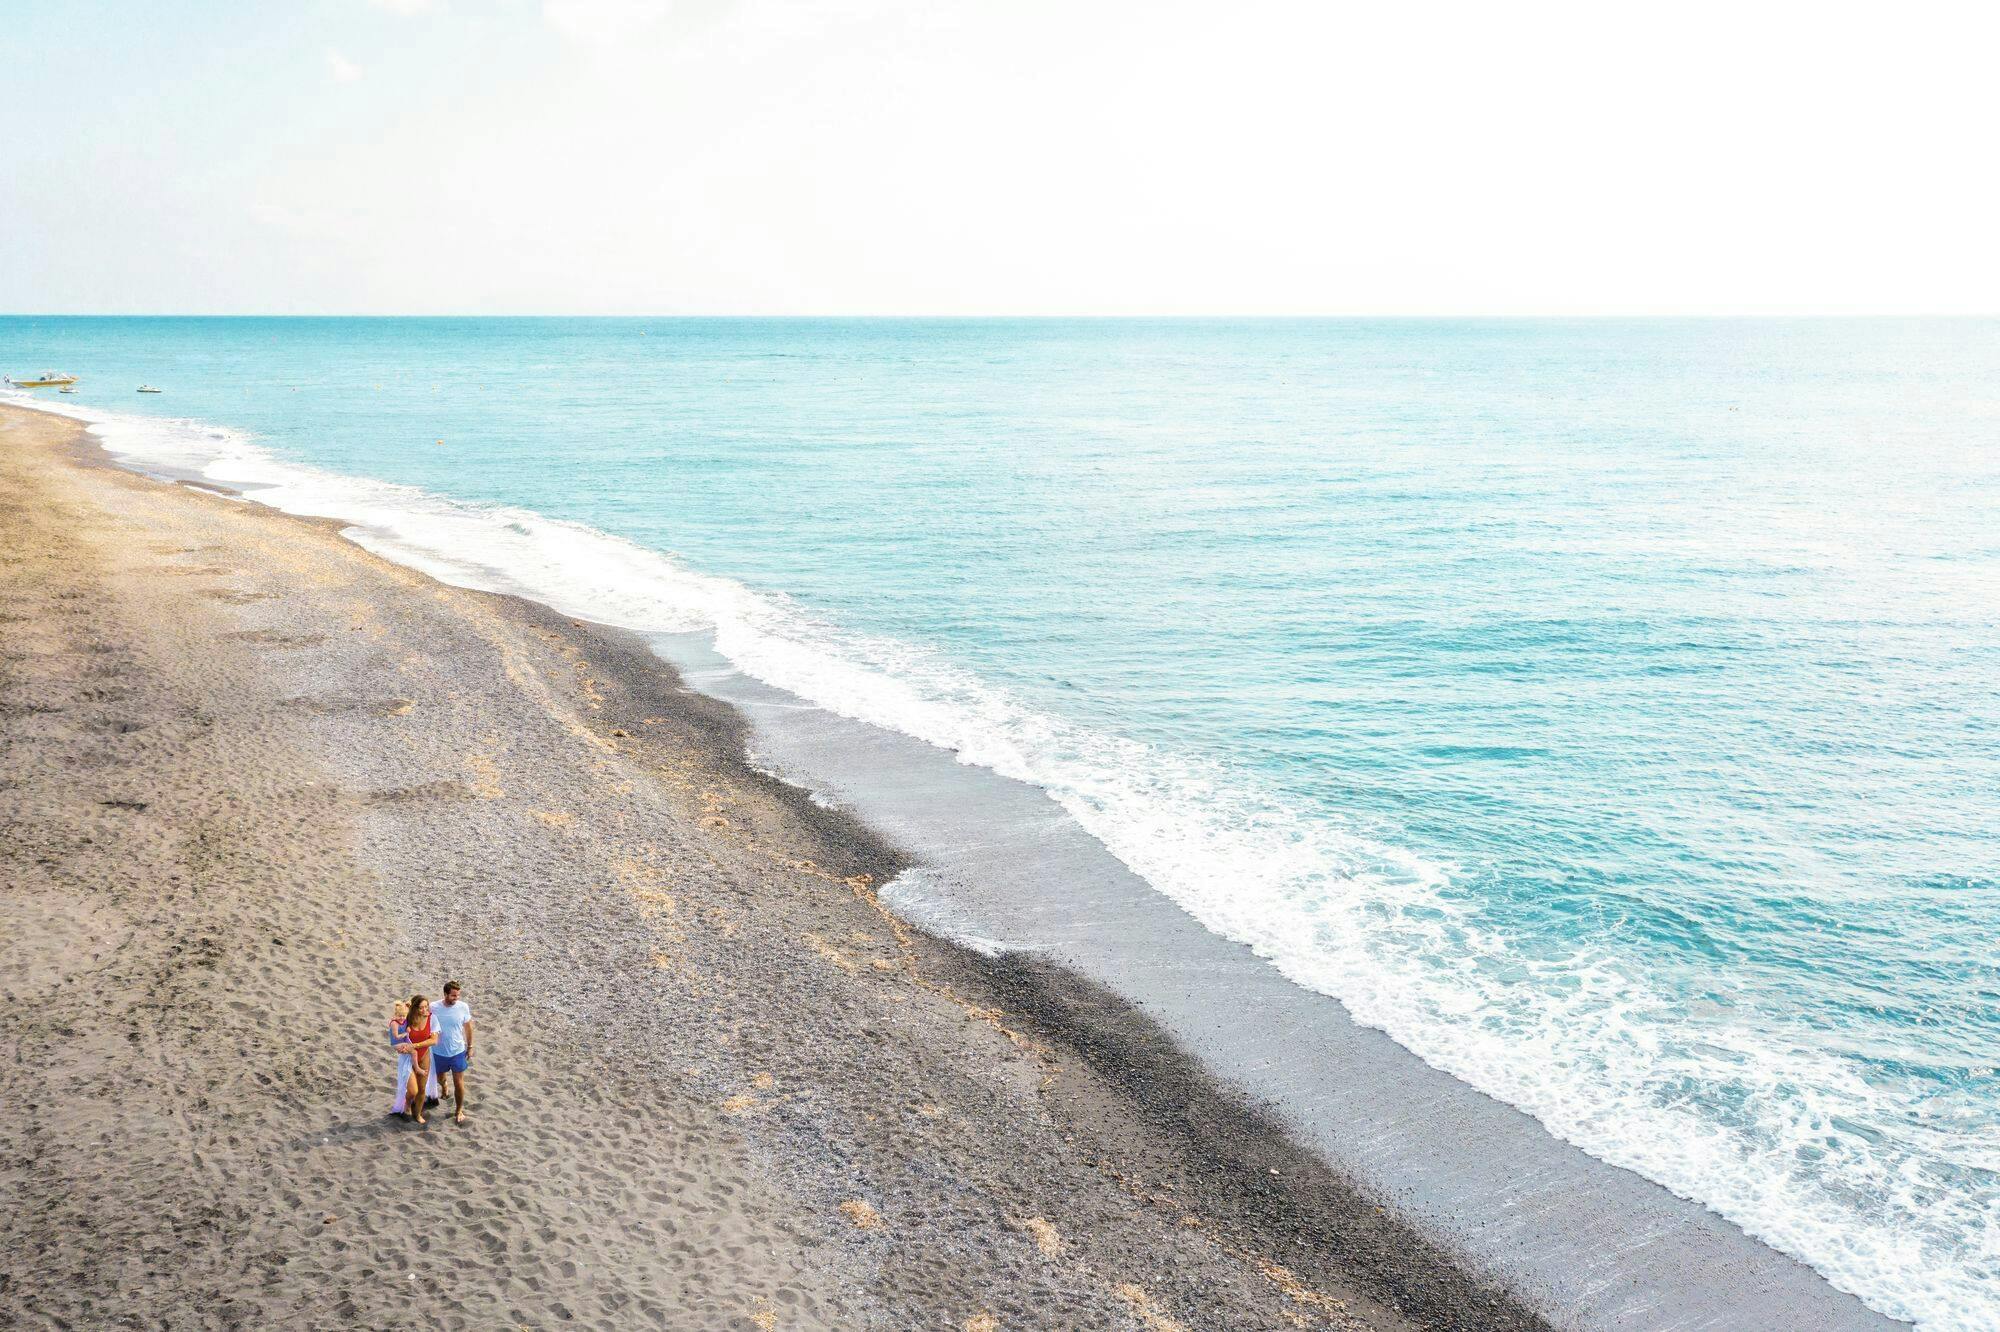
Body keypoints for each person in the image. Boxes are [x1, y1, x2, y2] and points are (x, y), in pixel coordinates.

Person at [430, 981, 474, 1125]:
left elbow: (468, 1027)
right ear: (445, 994)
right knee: (440, 1078)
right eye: (453, 995)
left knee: (459, 1082)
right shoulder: (433, 1007)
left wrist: (470, 1046)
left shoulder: (463, 1007)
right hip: (438, 1052)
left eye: (458, 995)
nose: (456, 998)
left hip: (458, 1051)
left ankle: (459, 1110)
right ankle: (444, 1087)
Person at [403, 994, 438, 1125]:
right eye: (421, 1008)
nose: (425, 1010)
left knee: (422, 1089)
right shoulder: (407, 1019)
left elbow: (434, 1040)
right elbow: (395, 1035)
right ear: (415, 1008)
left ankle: (417, 1113)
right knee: (413, 1090)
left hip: (423, 1057)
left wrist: (416, 1045)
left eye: (426, 1007)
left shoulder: (432, 1018)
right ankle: (407, 1104)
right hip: (408, 1059)